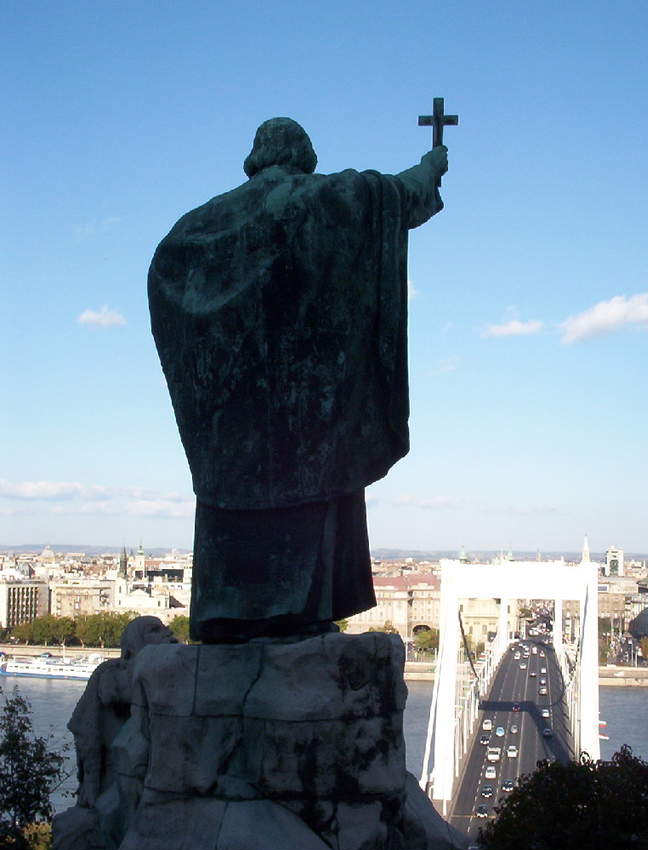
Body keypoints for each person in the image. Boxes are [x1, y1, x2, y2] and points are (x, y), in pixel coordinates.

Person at [148, 118, 448, 643]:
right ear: (304, 155)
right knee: (309, 526)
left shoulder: (197, 226)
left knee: (234, 526)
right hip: (309, 426)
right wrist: (431, 165)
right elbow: (397, 197)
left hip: (231, 442)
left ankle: (230, 616)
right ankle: (300, 616)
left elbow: (166, 279)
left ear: (255, 157)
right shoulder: (328, 198)